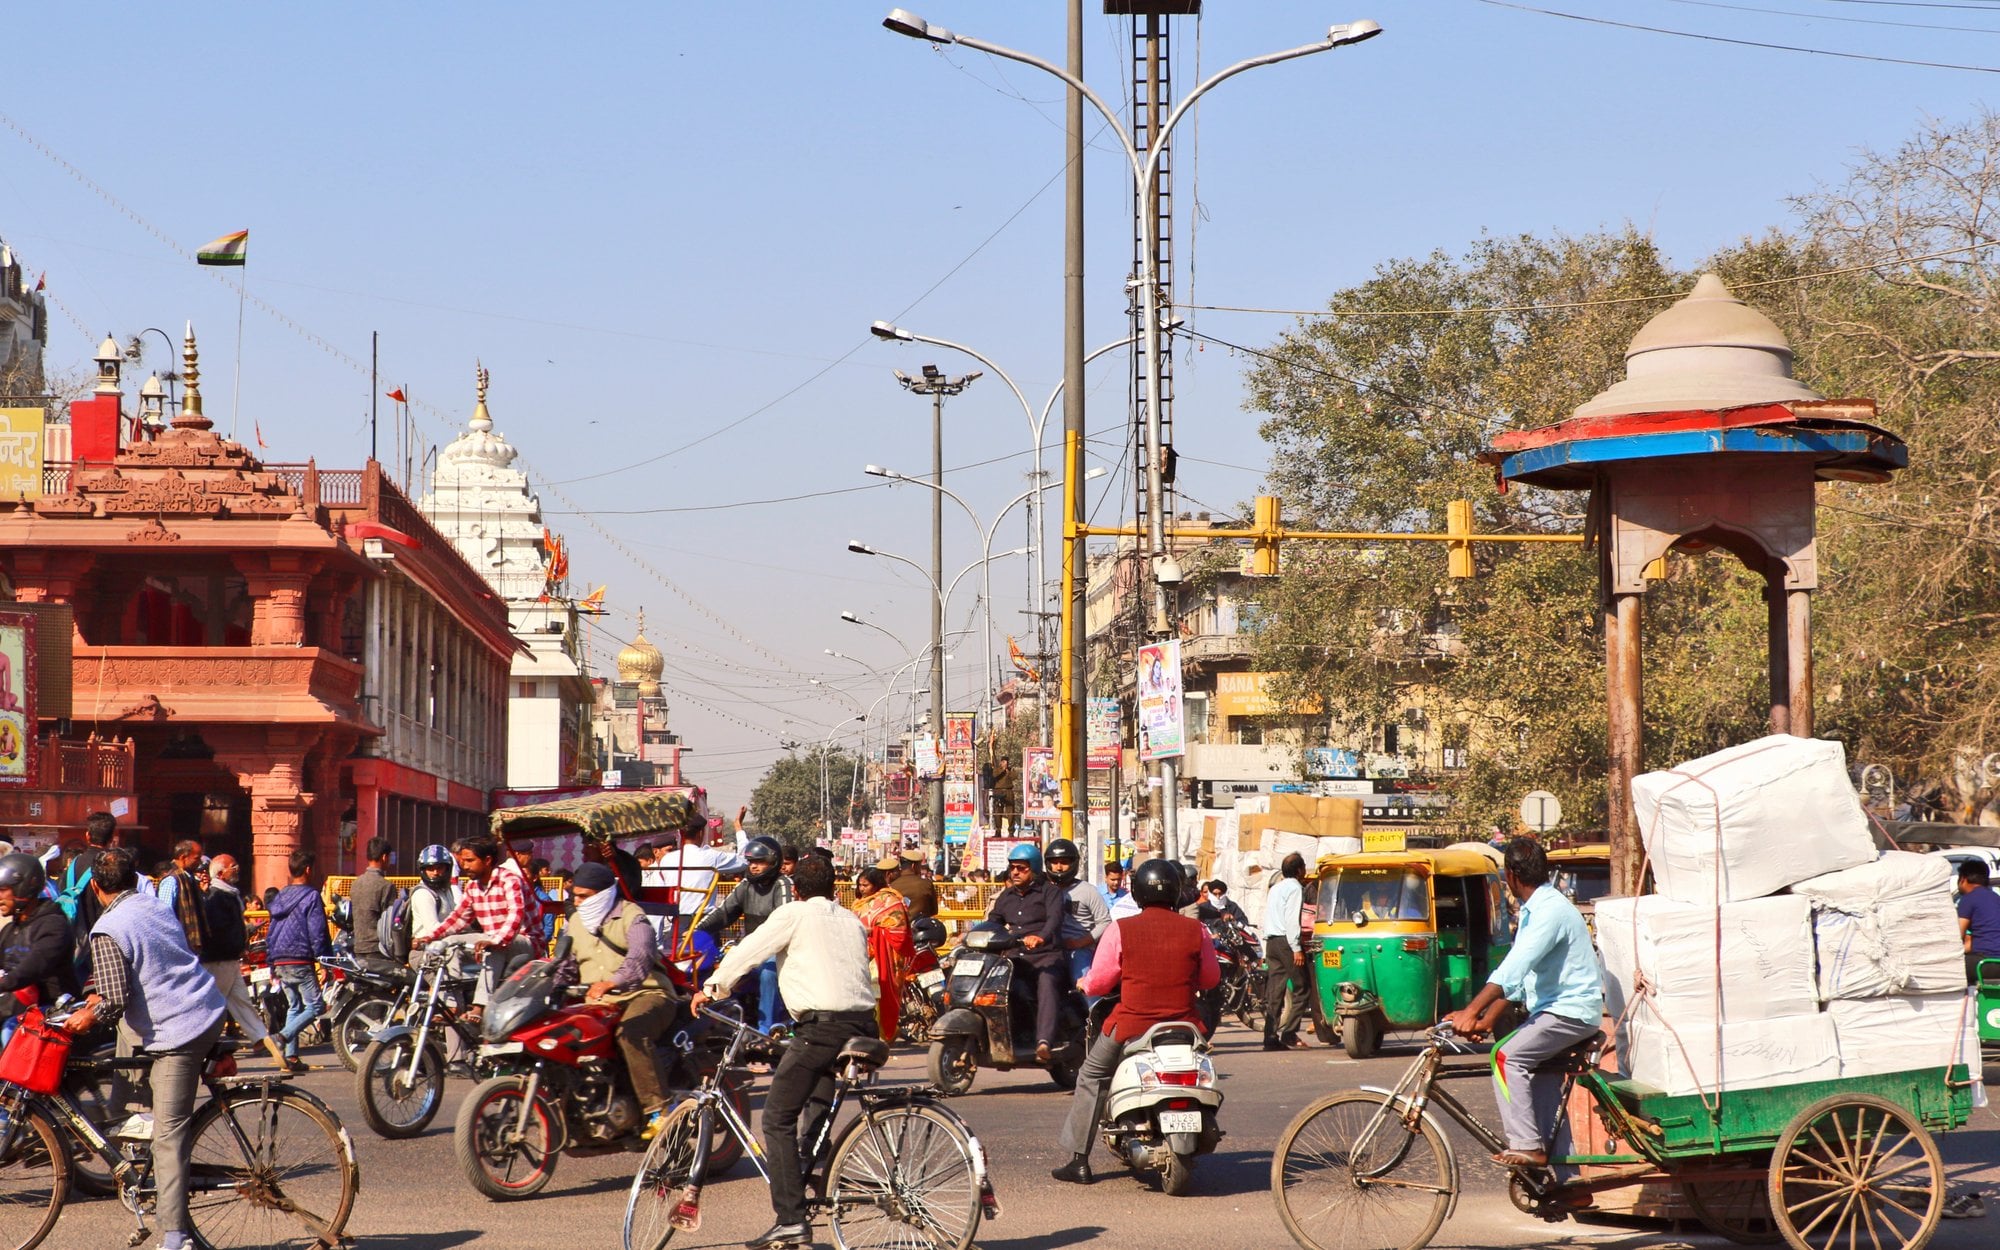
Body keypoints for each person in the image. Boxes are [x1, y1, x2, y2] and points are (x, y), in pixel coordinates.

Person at [691, 854, 875, 1250]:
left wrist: (711, 989)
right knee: (814, 1109)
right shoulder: (851, 920)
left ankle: (791, 1220)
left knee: (776, 1118)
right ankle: (808, 1167)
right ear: (833, 888)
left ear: (798, 888)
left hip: (822, 1029)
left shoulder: (795, 913)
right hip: (863, 1026)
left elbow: (748, 952)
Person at [62, 848, 228, 1250]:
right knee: (132, 1097)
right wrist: (94, 1000)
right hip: (205, 1005)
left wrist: (85, 1017)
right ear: (134, 879)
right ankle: (141, 1137)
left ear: (96, 887)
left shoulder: (107, 928)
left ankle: (175, 1234)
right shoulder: (153, 905)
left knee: (169, 1134)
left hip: (180, 1029)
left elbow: (114, 1001)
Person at [1446, 837, 1604, 1190]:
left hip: (1569, 1013)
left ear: (1511, 874)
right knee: (1543, 1085)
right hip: (1556, 1011)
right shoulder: (1539, 909)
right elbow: (1524, 978)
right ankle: (1571, 1185)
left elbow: (1513, 968)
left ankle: (1527, 1145)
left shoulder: (1549, 911)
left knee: (1504, 1058)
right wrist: (1485, 1019)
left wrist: (1471, 1009)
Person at [1052, 858, 1220, 1184]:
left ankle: (1079, 1160)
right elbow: (1210, 978)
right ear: (1176, 892)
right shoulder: (1195, 930)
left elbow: (1100, 982)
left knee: (1091, 1075)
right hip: (1184, 1028)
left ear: (1138, 893)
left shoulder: (1121, 929)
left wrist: (1085, 984)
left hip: (1132, 1026)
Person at [565, 862, 680, 1137]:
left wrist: (612, 982)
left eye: (584, 896)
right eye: (575, 896)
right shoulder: (575, 923)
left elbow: (639, 960)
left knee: (630, 1033)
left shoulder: (633, 917)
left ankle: (660, 1109)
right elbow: (565, 965)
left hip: (647, 994)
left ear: (603, 893)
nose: (577, 901)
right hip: (599, 1002)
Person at [423, 834, 535, 1019]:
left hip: (524, 941)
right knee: (449, 943)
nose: (465, 866)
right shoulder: (473, 887)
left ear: (488, 860)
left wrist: (496, 940)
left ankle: (480, 1006)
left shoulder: (509, 880)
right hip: (492, 937)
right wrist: (431, 936)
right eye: (463, 861)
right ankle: (451, 1005)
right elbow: (458, 918)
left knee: (492, 946)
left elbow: (516, 916)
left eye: (470, 860)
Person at [698, 836, 794, 1031]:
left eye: (760, 862)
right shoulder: (745, 885)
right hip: (749, 951)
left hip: (775, 953)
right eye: (751, 862)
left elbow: (783, 924)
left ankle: (766, 1029)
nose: (754, 867)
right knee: (716, 966)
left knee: (768, 972)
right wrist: (696, 931)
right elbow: (723, 913)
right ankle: (723, 1023)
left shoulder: (782, 884)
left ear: (773, 862)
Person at [200, 854, 288, 1067]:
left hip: (228, 959)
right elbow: (219, 930)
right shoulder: (216, 897)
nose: (237, 868)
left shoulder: (228, 895)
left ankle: (261, 1039)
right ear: (221, 873)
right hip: (218, 960)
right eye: (233, 866)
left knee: (240, 1001)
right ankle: (202, 1046)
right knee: (212, 1006)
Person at [986, 843, 1068, 1063]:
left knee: (1047, 985)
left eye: (1021, 868)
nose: (1015, 872)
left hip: (1046, 957)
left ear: (1034, 869)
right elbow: (993, 921)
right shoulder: (1007, 896)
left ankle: (1044, 1042)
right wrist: (975, 935)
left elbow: (1054, 919)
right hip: (1014, 958)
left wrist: (1041, 936)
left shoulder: (1050, 892)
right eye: (1013, 867)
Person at [266, 850, 332, 1073]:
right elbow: (318, 931)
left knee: (294, 1006)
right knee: (316, 1006)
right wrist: (325, 961)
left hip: (280, 959)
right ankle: (281, 1037)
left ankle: (291, 1058)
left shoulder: (280, 896)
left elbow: (271, 931)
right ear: (308, 870)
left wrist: (271, 961)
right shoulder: (311, 896)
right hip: (300, 958)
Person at [0, 853, 79, 1029]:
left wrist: (5, 983)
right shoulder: (10, 930)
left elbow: (33, 967)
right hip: (18, 1006)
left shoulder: (53, 925)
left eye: (3, 890)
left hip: (51, 1011)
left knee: (8, 1030)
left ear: (23, 887)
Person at [851, 866, 915, 1043]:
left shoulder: (890, 900)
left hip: (883, 956)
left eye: (865, 885)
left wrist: (873, 931)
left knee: (879, 991)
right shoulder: (859, 902)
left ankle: (882, 1033)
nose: (862, 889)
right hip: (862, 954)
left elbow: (899, 930)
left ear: (876, 884)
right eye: (860, 885)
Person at [1044, 838, 1111, 988]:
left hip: (1079, 951)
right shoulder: (1045, 891)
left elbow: (1105, 922)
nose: (1059, 867)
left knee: (1084, 986)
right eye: (1055, 862)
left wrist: (1080, 942)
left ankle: (1091, 1009)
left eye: (1064, 862)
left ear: (1074, 863)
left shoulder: (1088, 891)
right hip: (1049, 951)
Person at [1262, 852, 1309, 1052]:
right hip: (1285, 942)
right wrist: (1296, 948)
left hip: (1271, 941)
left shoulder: (1276, 888)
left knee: (1275, 991)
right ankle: (1289, 1032)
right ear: (1299, 870)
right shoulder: (1295, 888)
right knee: (1302, 987)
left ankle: (1270, 1037)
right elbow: (1291, 920)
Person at [152, 839, 212, 964]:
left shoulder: (189, 878)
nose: (200, 862)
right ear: (183, 857)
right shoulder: (171, 880)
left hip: (190, 948)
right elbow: (164, 916)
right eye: (196, 858)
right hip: (179, 948)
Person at [348, 837, 398, 973]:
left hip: (359, 946)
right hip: (378, 949)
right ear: (384, 857)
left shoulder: (355, 884)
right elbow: (390, 921)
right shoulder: (386, 886)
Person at [1957, 859, 2000, 983]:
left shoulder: (1968, 899)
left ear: (1963, 879)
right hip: (1995, 960)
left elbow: (1957, 937)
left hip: (1987, 962)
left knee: (1945, 968)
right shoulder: (1996, 898)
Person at [409, 844, 459, 945]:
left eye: (440, 868)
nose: (435, 872)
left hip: (445, 945)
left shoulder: (446, 890)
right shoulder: (423, 894)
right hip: (425, 950)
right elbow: (433, 929)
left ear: (448, 869)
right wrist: (461, 933)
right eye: (430, 868)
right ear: (423, 869)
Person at [889, 847, 940, 919]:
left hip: (899, 927)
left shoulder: (892, 886)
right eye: (919, 866)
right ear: (913, 866)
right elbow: (934, 910)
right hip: (921, 927)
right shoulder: (926, 884)